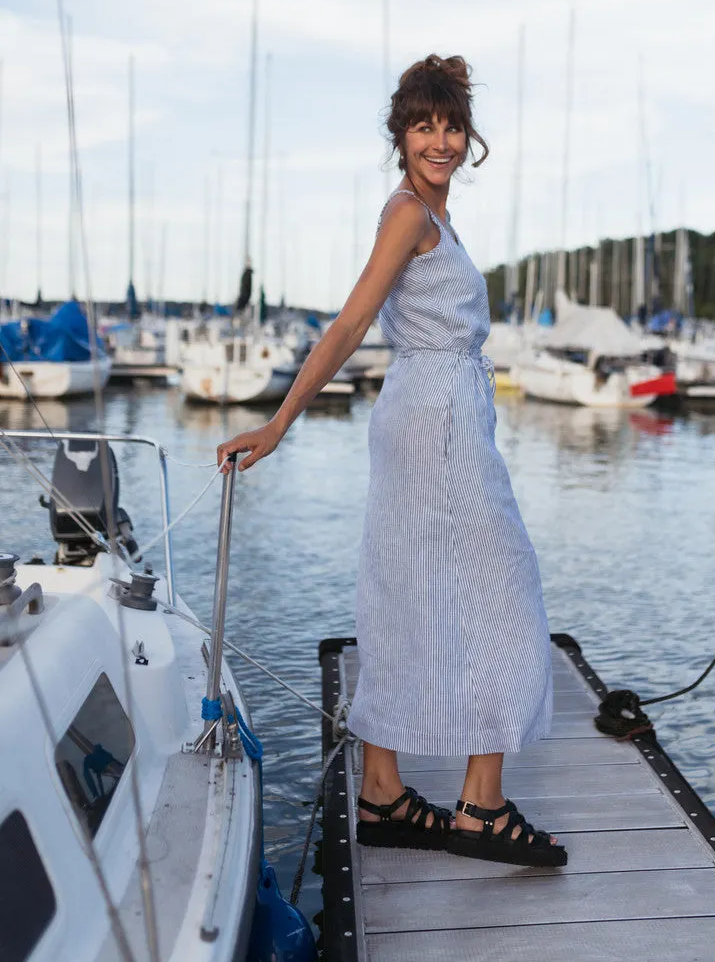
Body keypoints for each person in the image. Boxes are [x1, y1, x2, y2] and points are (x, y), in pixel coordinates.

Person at [218, 55, 565, 868]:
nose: (439, 140)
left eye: (451, 125)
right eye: (423, 125)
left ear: (467, 134)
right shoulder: (409, 215)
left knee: (405, 589)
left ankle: (382, 793)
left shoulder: (426, 215)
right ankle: (479, 809)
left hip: (429, 412)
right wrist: (278, 424)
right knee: (506, 594)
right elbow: (347, 326)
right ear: (400, 135)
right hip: (436, 419)